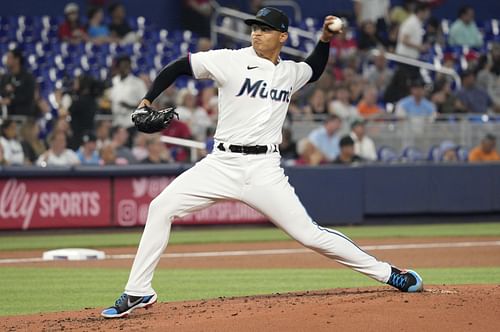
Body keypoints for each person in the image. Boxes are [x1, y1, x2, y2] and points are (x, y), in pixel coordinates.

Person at [101, 7, 423, 319]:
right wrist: (147, 100)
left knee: (309, 235)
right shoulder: (231, 59)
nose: (256, 33)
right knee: (160, 208)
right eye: (254, 28)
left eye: (265, 29)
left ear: (282, 36)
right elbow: (179, 66)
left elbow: (314, 69)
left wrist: (325, 40)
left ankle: (388, 273)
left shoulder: (289, 72)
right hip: (221, 163)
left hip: (264, 169)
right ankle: (138, 289)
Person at [109, 55, 148, 131]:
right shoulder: (114, 81)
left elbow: (146, 103)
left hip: (131, 123)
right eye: (123, 66)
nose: (126, 68)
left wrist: (130, 106)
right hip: (116, 122)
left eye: (128, 65)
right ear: (118, 67)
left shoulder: (138, 83)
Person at [0, 49, 36, 118]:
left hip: (24, 117)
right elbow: (2, 92)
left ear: (17, 60)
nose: (6, 61)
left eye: (9, 58)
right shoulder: (5, 78)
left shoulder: (28, 78)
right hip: (8, 118)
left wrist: (11, 100)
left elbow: (28, 96)